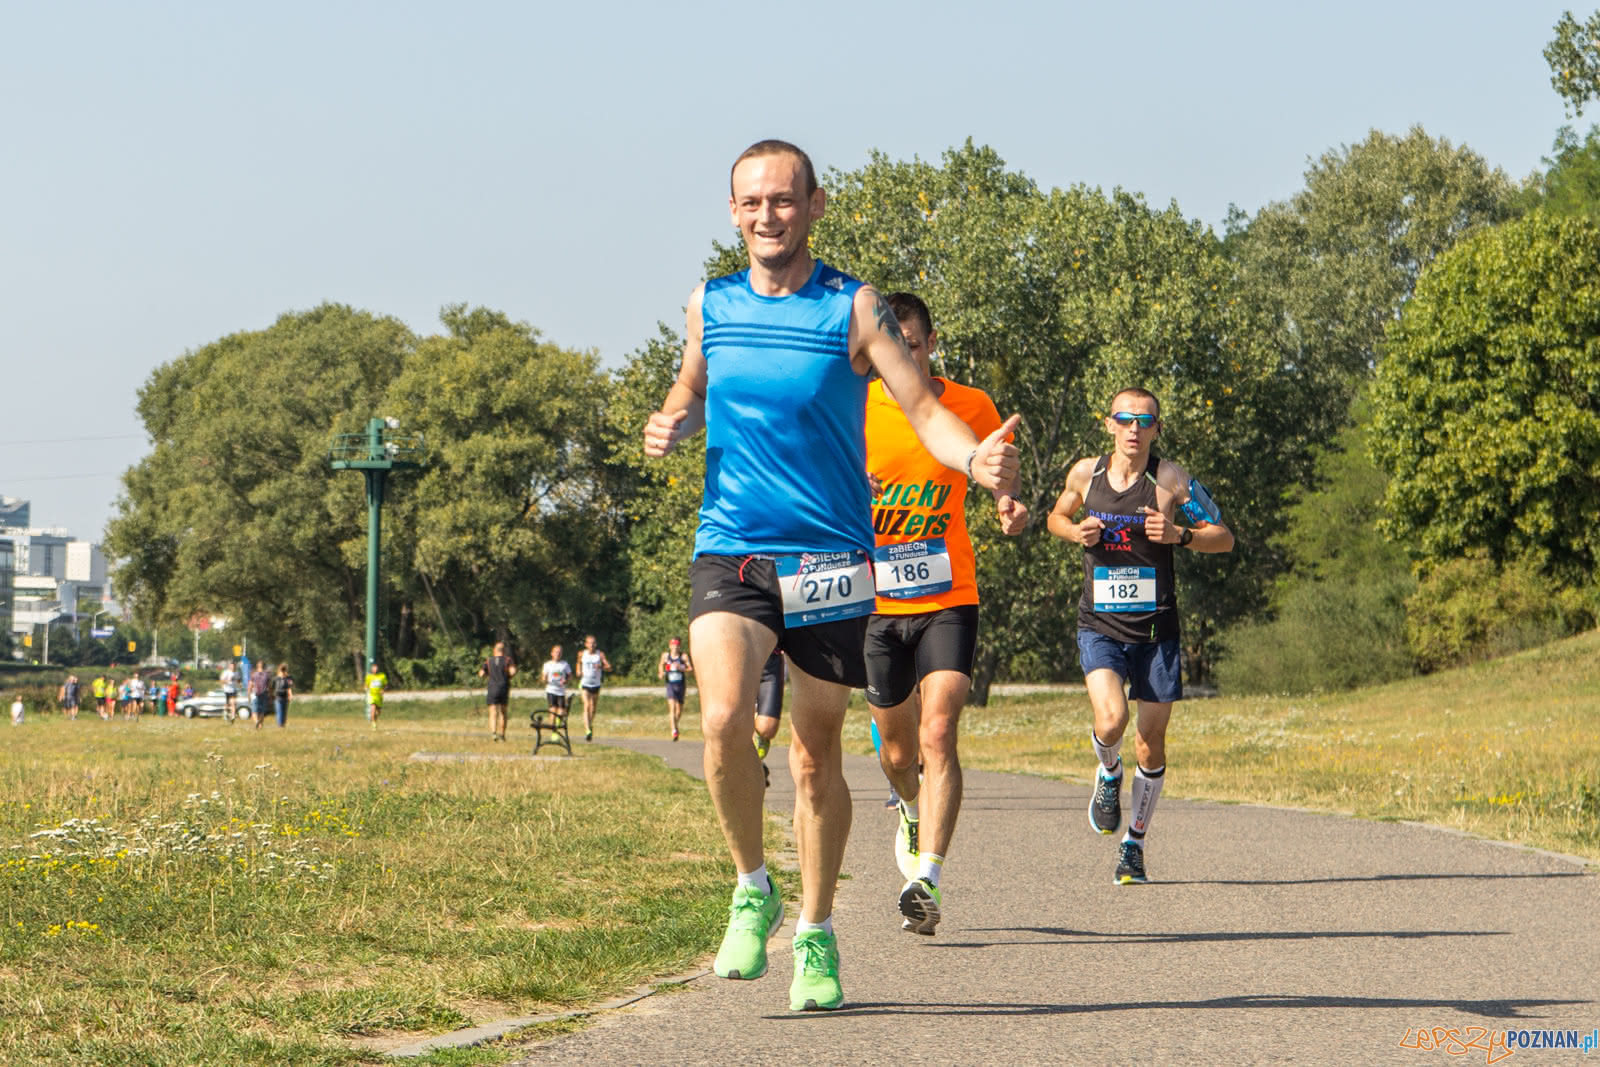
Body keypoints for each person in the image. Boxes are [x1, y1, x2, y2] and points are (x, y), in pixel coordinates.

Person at [641, 139, 1020, 1012]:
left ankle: (814, 931)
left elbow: (925, 411)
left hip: (833, 560)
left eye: (784, 200)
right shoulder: (710, 304)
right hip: (733, 544)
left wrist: (977, 463)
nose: (767, 215)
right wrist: (671, 421)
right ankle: (750, 884)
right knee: (727, 717)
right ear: (732, 213)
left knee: (815, 759)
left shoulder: (855, 309)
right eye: (751, 203)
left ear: (815, 206)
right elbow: (692, 391)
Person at [863, 291, 1028, 936]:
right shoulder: (854, 408)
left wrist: (1007, 505)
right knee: (898, 753)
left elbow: (998, 474)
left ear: (930, 344)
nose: (901, 352)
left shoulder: (970, 405)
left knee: (939, 732)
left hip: (949, 595)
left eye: (912, 341)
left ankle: (927, 877)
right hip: (876, 605)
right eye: (889, 342)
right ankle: (909, 806)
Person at [1047, 386, 1234, 884]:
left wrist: (1181, 536)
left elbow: (1224, 536)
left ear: (1157, 429)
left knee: (1150, 744)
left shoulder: (1170, 480)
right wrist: (1074, 532)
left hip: (1157, 630)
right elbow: (1055, 517)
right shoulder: (1086, 475)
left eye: (1144, 420)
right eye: (1124, 419)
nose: (1134, 428)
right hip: (1101, 624)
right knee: (1111, 720)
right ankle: (1108, 771)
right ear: (1109, 424)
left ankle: (1134, 844)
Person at [479, 642, 517, 741]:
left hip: (492, 688)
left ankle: (493, 733)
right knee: (503, 712)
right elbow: (513, 671)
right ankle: (503, 734)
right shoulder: (508, 660)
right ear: (504, 651)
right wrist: (508, 676)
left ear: (494, 650)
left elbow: (481, 674)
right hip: (504, 687)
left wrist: (488, 676)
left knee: (493, 712)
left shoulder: (488, 661)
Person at [576, 635, 612, 741]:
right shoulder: (582, 654)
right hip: (584, 683)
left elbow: (609, 667)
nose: (591, 645)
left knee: (593, 708)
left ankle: (590, 725)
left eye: (593, 643)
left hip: (596, 684)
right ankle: (587, 730)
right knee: (587, 705)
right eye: (589, 643)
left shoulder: (600, 655)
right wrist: (578, 671)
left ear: (596, 644)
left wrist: (601, 666)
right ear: (586, 644)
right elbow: (578, 663)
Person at [658, 637, 692, 742]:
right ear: (670, 646)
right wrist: (661, 672)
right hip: (670, 684)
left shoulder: (683, 656)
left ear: (679, 646)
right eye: (673, 645)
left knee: (679, 710)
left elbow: (690, 669)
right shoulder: (665, 655)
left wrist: (682, 668)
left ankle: (675, 724)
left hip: (681, 684)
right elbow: (661, 665)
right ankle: (674, 730)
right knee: (672, 708)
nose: (675, 647)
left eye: (677, 645)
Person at [540, 645, 573, 735]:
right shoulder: (547, 664)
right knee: (553, 710)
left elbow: (570, 676)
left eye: (559, 652)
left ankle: (557, 726)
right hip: (551, 690)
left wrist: (566, 680)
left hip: (561, 691)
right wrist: (545, 680)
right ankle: (553, 731)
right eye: (556, 652)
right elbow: (543, 677)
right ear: (552, 653)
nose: (557, 654)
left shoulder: (565, 664)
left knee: (561, 711)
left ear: (561, 654)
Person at [249, 661, 272, 729]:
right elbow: (269, 686)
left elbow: (250, 685)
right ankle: (260, 726)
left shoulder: (253, 674)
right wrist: (270, 696)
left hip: (255, 694)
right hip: (264, 694)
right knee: (262, 711)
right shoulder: (267, 675)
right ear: (264, 666)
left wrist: (248, 694)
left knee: (254, 711)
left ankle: (256, 722)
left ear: (257, 666)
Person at [365, 661, 387, 729]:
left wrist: (383, 690)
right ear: (372, 669)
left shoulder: (382, 676)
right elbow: (366, 685)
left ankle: (374, 720)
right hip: (372, 695)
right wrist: (366, 689)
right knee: (373, 708)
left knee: (378, 712)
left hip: (379, 696)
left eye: (376, 668)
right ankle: (373, 723)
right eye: (374, 668)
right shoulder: (369, 676)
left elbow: (385, 685)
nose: (375, 669)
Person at [271, 663, 294, 728]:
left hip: (285, 697)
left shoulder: (288, 678)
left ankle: (282, 724)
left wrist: (290, 695)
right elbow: (272, 687)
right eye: (282, 670)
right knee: (280, 711)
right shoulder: (276, 678)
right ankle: (280, 725)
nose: (283, 672)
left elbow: (289, 687)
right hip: (278, 697)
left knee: (284, 712)